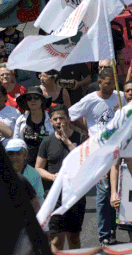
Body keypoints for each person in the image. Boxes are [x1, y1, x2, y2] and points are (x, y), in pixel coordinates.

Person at [35, 104, 88, 251]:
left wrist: (67, 141)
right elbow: (38, 168)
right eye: (55, 119)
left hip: (75, 195)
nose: (59, 122)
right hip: (54, 197)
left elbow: (85, 161)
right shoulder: (47, 142)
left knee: (74, 237)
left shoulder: (81, 137)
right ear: (51, 122)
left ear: (69, 119)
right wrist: (52, 177)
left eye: (62, 118)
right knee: (57, 239)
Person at [69, 67, 120, 135]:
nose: (112, 86)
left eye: (114, 83)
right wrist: (86, 129)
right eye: (108, 83)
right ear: (100, 82)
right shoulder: (89, 99)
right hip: (96, 143)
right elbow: (69, 115)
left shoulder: (120, 96)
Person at [14, 86, 54, 166]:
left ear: (42, 100)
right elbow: (16, 142)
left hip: (48, 162)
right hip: (27, 163)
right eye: (29, 98)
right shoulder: (20, 120)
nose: (33, 100)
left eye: (36, 97)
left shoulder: (51, 119)